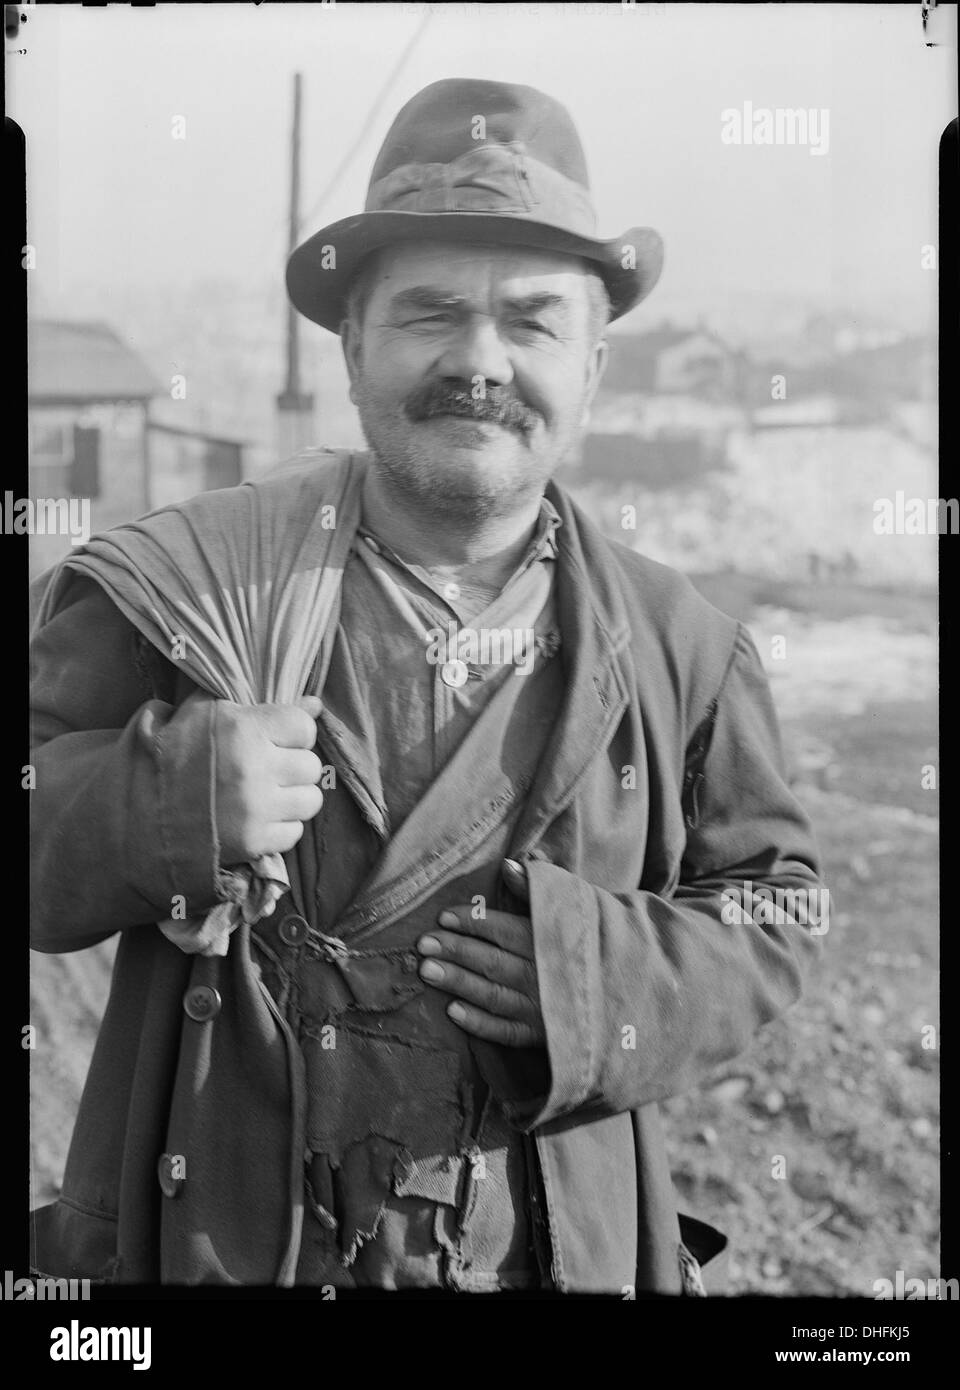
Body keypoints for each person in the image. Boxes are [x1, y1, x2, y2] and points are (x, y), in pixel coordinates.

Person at [29, 78, 823, 1294]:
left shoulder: (684, 650)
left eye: (533, 321)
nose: (479, 362)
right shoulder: (186, 595)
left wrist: (590, 971)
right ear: (353, 347)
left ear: (595, 366)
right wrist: (172, 796)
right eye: (431, 314)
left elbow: (778, 914)